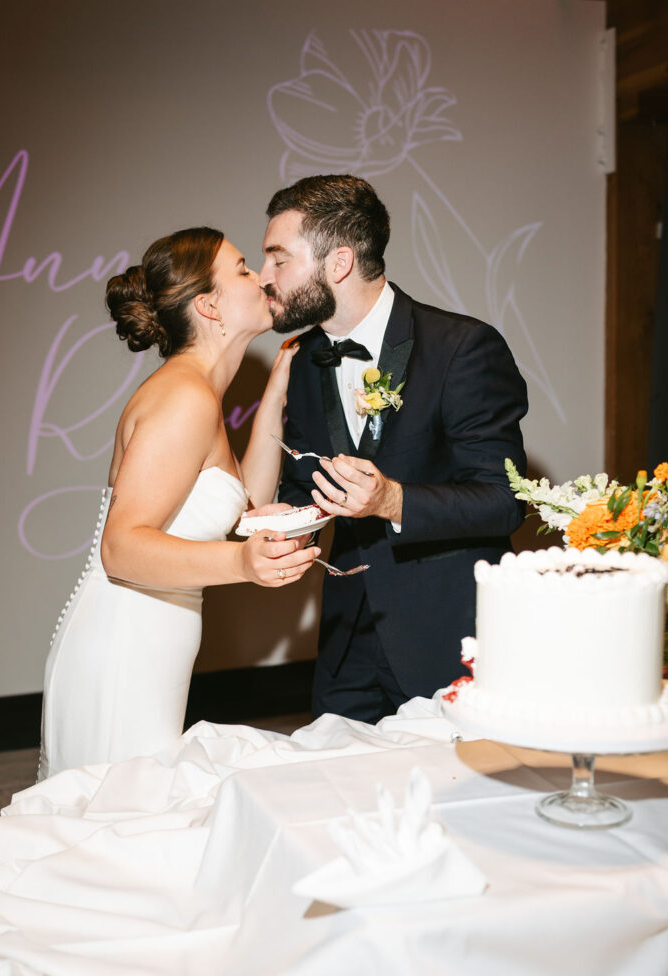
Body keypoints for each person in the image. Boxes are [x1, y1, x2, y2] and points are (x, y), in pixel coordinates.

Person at [38, 226, 319, 779]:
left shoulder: (197, 393)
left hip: (148, 645)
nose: (261, 276)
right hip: (123, 651)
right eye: (242, 268)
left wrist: (276, 394)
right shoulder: (184, 397)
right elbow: (121, 549)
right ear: (209, 304)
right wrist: (243, 563)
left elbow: (247, 504)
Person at [259, 175, 528, 724]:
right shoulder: (307, 362)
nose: (265, 278)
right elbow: (305, 479)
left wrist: (393, 502)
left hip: (445, 635)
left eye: (278, 260)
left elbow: (504, 500)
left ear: (338, 263)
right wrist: (290, 518)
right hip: (345, 640)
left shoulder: (462, 349)